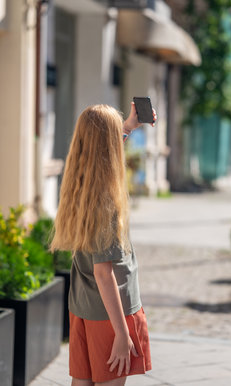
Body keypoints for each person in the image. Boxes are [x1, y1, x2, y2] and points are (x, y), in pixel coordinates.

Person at [50, 102, 156, 386]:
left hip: (83, 306)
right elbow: (103, 272)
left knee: (81, 382)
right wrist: (122, 334)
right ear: (110, 145)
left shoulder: (79, 184)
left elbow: (102, 153)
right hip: (111, 314)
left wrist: (128, 127)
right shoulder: (104, 201)